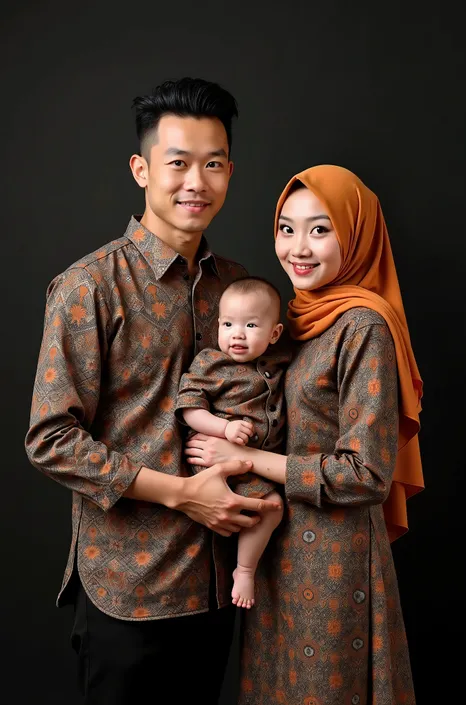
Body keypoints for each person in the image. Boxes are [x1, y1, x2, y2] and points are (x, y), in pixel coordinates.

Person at [24, 77, 281, 705]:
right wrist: (185, 495)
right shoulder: (90, 287)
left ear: (230, 172)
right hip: (128, 589)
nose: (196, 181)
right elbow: (50, 440)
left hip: (222, 584)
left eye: (213, 164)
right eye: (178, 163)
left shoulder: (238, 288)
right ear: (141, 169)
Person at [184, 164, 425, 704]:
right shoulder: (290, 319)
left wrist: (244, 459)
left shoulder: (363, 326)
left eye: (320, 229)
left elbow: (365, 475)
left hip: (334, 562)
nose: (298, 247)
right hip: (277, 554)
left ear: (356, 235)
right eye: (287, 228)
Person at [176, 276, 289, 609]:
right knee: (273, 508)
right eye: (228, 324)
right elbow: (190, 410)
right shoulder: (211, 363)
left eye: (251, 325)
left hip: (255, 462)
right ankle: (244, 570)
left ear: (274, 334)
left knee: (269, 510)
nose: (237, 334)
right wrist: (223, 429)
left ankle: (243, 564)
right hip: (217, 459)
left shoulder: (277, 364)